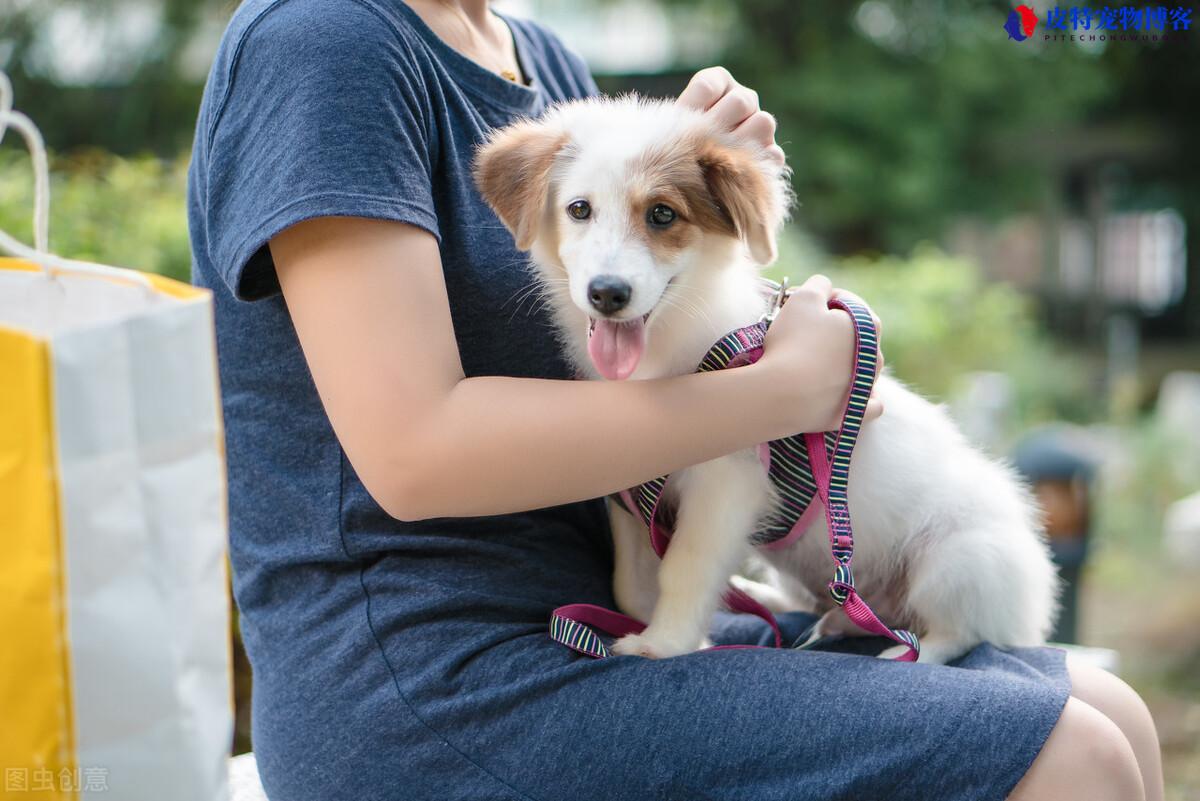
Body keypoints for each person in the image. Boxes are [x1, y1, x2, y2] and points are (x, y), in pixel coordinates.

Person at [188, 1, 1164, 799]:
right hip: (431, 672)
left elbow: (654, 338)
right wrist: (785, 391)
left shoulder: (542, 60)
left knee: (1111, 714)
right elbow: (414, 453)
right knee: (1071, 758)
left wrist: (710, 183)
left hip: (600, 612)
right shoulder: (324, 44)